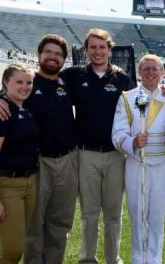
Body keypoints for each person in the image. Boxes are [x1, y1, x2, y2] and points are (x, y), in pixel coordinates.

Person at [0, 35, 78, 264]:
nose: (53, 57)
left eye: (58, 54)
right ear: (39, 55)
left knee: (60, 222)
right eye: (48, 52)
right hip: (37, 163)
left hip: (67, 161)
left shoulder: (67, 82)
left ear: (64, 59)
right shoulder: (26, 81)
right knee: (34, 224)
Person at [60, 28, 135, 264]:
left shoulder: (122, 79)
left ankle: (113, 258)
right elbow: (40, 81)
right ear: (86, 50)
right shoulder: (73, 76)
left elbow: (138, 110)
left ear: (110, 49)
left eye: (102, 47)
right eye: (93, 47)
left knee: (113, 214)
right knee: (89, 213)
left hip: (115, 155)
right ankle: (87, 259)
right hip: (86, 154)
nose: (97, 51)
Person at [112, 54, 165, 264]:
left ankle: (155, 260)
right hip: (136, 164)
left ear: (162, 73)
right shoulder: (127, 97)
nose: (150, 72)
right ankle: (139, 259)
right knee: (138, 217)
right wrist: (133, 143)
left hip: (163, 163)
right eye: (145, 68)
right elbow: (117, 134)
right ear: (139, 72)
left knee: (157, 217)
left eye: (155, 69)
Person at [0, 64, 39, 264]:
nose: (25, 86)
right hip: (5, 183)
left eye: (28, 82)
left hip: (27, 183)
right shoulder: (0, 109)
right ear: (6, 82)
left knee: (17, 246)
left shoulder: (23, 107)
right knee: (12, 250)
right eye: (19, 82)